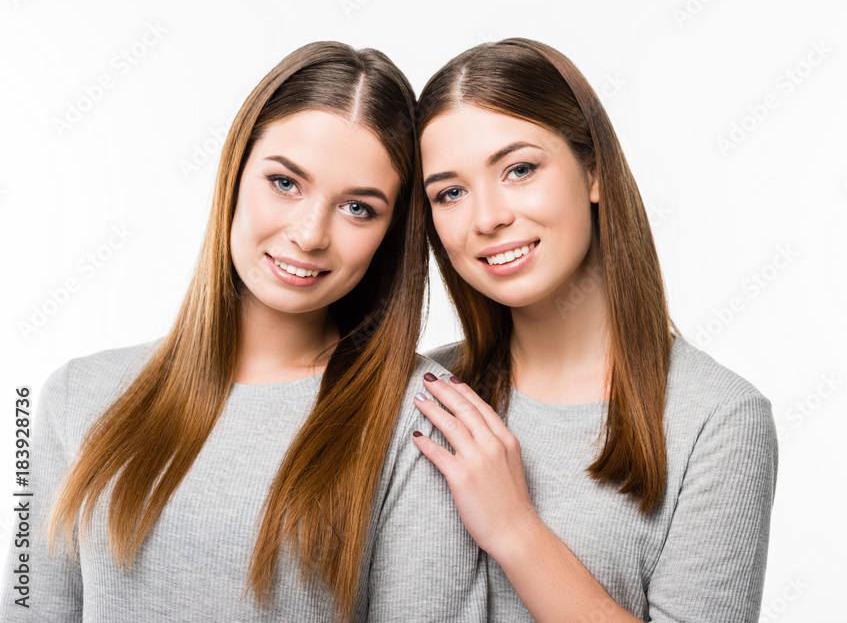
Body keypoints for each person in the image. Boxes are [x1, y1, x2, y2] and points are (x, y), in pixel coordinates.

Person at [0, 41, 484, 622]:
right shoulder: (76, 395)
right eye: (285, 183)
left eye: (358, 208)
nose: (309, 234)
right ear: (235, 174)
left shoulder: (423, 418)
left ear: (391, 232)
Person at [410, 38, 779, 622]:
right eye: (450, 193)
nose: (487, 218)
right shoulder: (424, 395)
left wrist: (517, 532)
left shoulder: (716, 418)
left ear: (594, 172)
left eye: (519, 169)